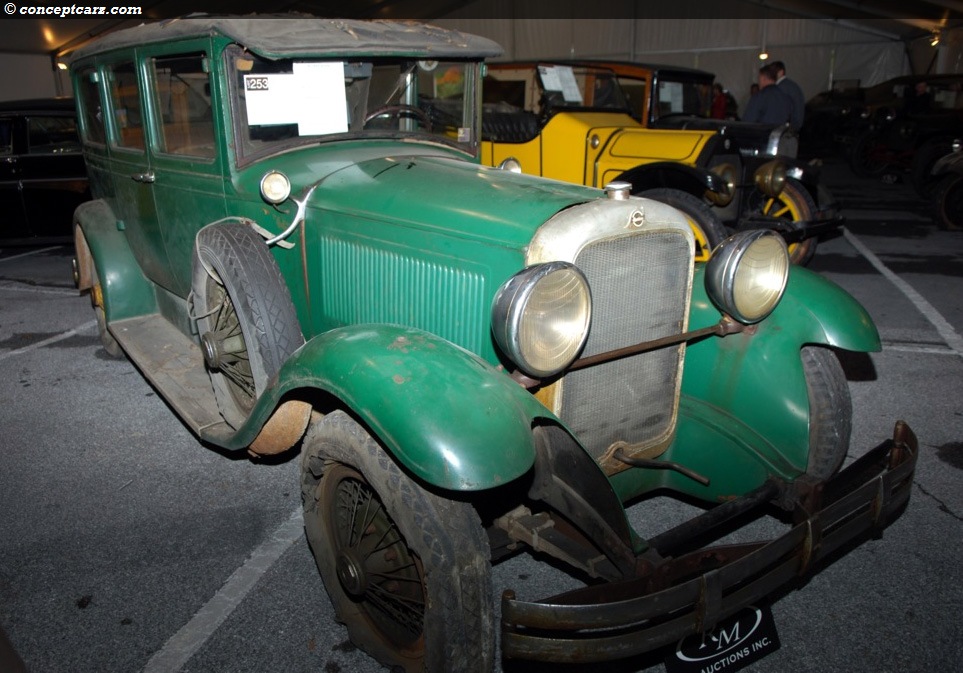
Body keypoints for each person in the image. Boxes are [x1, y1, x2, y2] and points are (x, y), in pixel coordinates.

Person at [771, 60, 805, 131]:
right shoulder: (791, 85)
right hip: (794, 126)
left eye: (773, 72)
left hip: (787, 128)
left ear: (781, 72)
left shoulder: (781, 88)